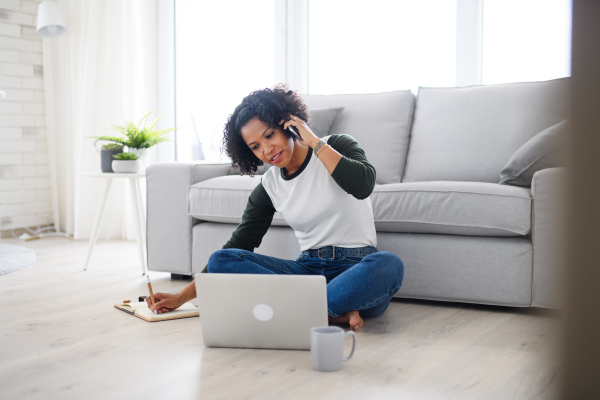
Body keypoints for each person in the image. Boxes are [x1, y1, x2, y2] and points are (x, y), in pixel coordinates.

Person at [147, 83, 404, 331]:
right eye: (255, 146)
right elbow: (237, 246)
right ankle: (326, 313)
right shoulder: (269, 186)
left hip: (356, 268)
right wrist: (180, 298)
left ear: (287, 123)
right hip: (307, 274)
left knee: (388, 264)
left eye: (269, 135)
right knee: (221, 260)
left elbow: (363, 185)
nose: (267, 150)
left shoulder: (336, 145)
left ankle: (307, 312)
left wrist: (315, 143)